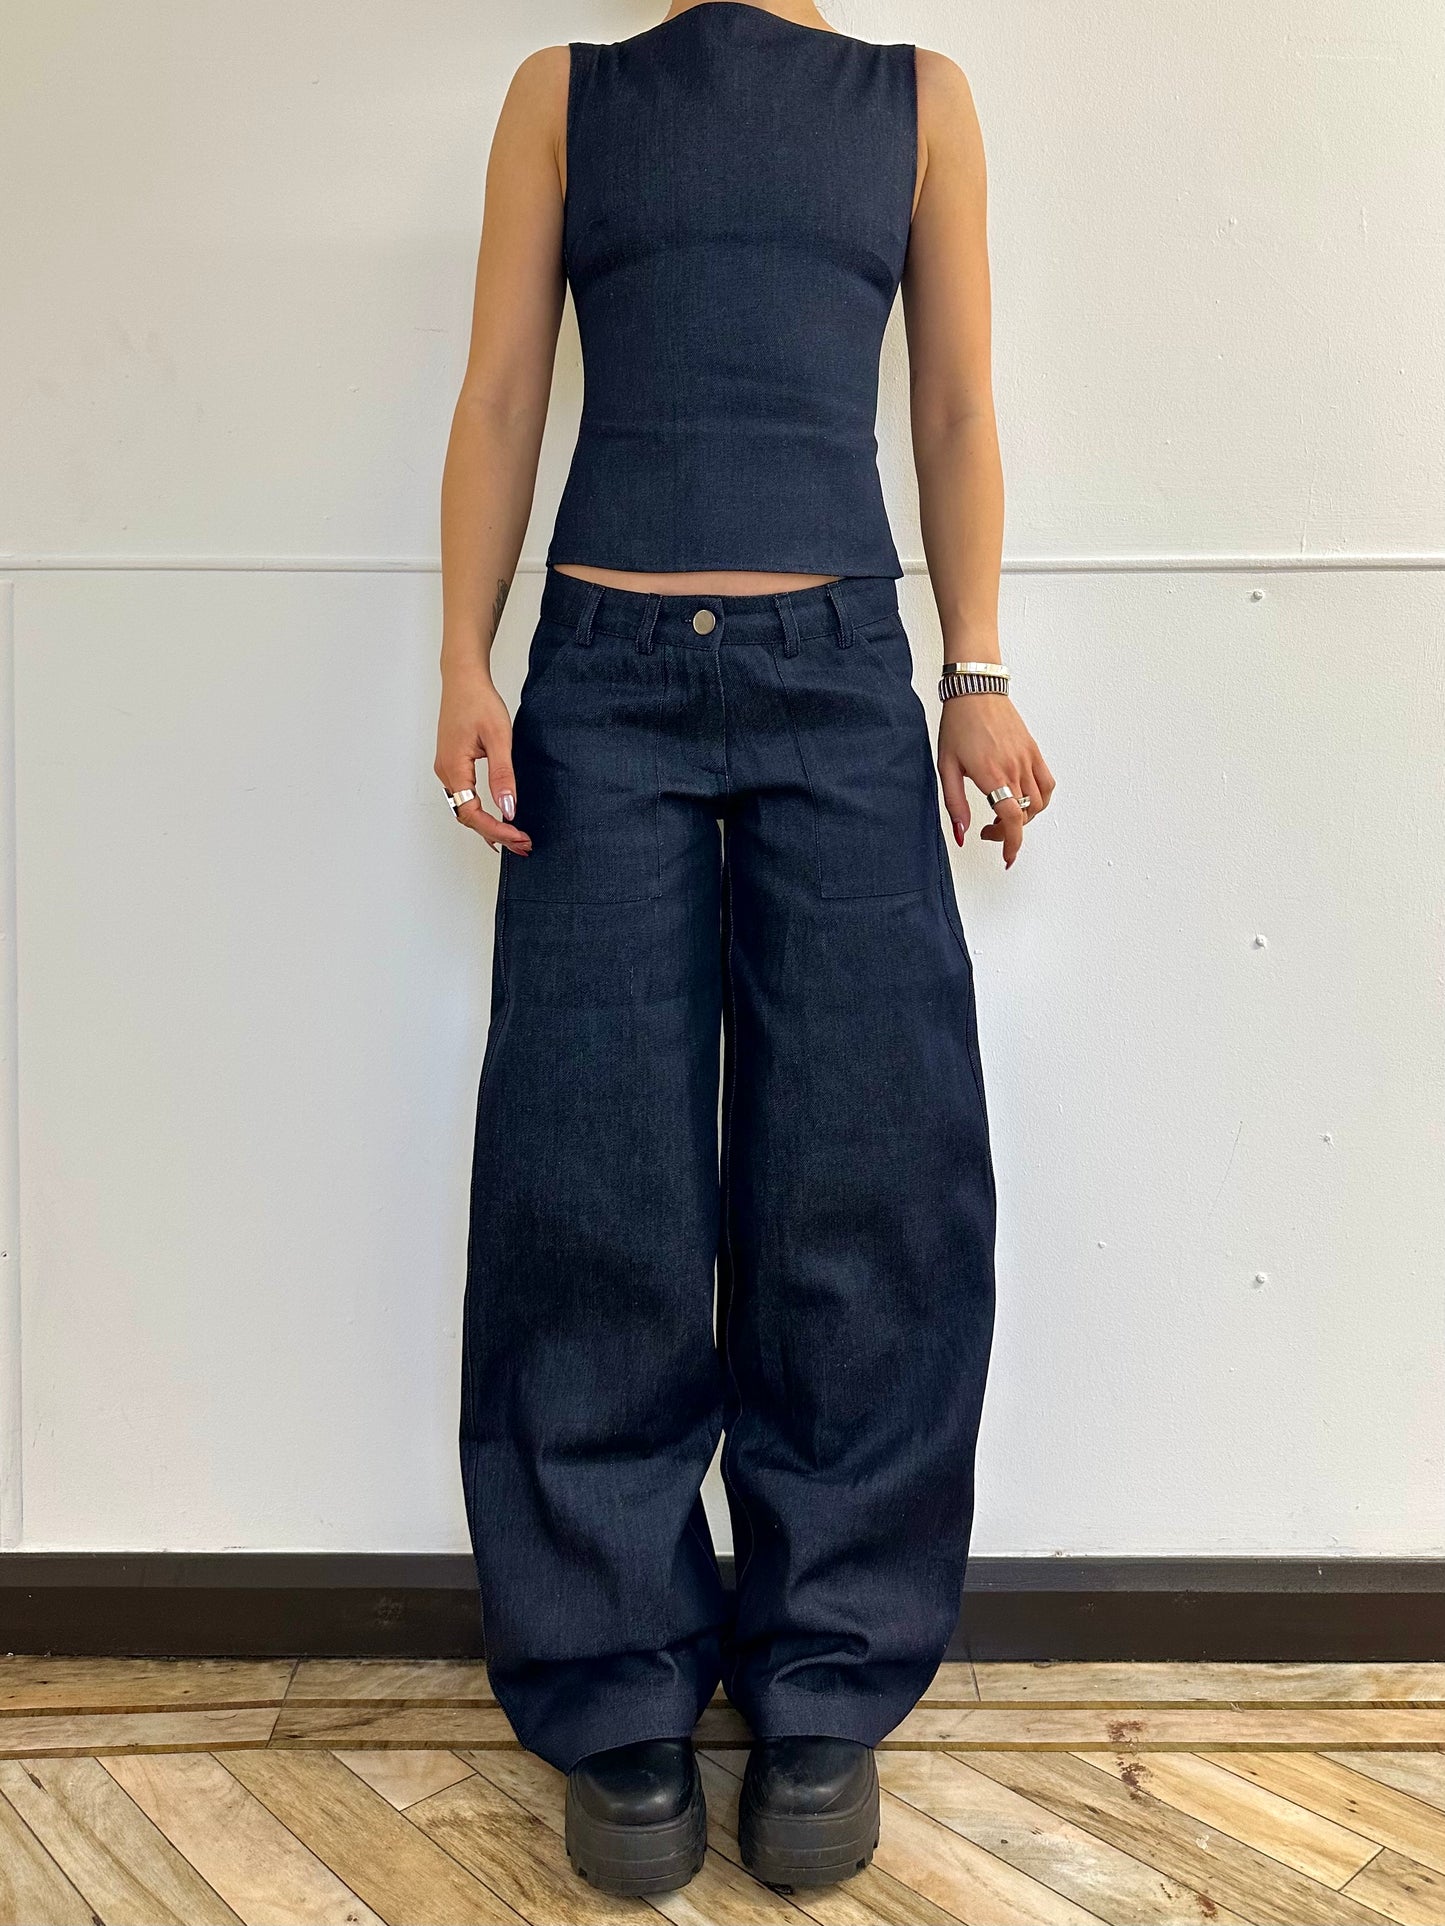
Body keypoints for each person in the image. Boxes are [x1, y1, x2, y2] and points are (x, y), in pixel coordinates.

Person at [437, 0, 1054, 1898]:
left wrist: (974, 671)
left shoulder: (915, 102)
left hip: (839, 676)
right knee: (587, 1182)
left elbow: (951, 404)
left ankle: (823, 1676)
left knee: (863, 1175)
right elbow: (502, 396)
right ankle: (615, 1680)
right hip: (601, 686)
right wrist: (463, 658)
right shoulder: (565, 97)